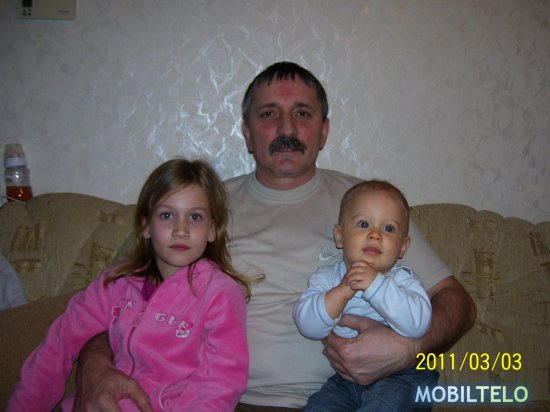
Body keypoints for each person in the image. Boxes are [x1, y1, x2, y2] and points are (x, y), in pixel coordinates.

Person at [73, 61, 476, 412]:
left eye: (302, 113)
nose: (287, 128)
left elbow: (457, 302)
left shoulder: (372, 206)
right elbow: (116, 304)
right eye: (269, 114)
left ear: (324, 131)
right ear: (247, 133)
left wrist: (407, 350)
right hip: (223, 401)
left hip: (347, 397)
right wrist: (94, 369)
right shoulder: (197, 210)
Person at [7, 159, 250, 412]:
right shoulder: (116, 283)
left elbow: (221, 382)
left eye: (195, 217)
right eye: (167, 215)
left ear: (212, 230)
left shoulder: (220, 294)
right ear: (145, 226)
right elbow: (58, 347)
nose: (181, 230)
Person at [294, 180, 438, 411]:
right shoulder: (327, 278)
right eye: (363, 224)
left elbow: (418, 325)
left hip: (404, 376)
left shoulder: (403, 280)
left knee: (384, 405)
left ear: (402, 247)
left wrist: (376, 286)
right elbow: (308, 326)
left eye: (388, 228)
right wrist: (342, 291)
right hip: (345, 380)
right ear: (339, 236)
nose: (375, 235)